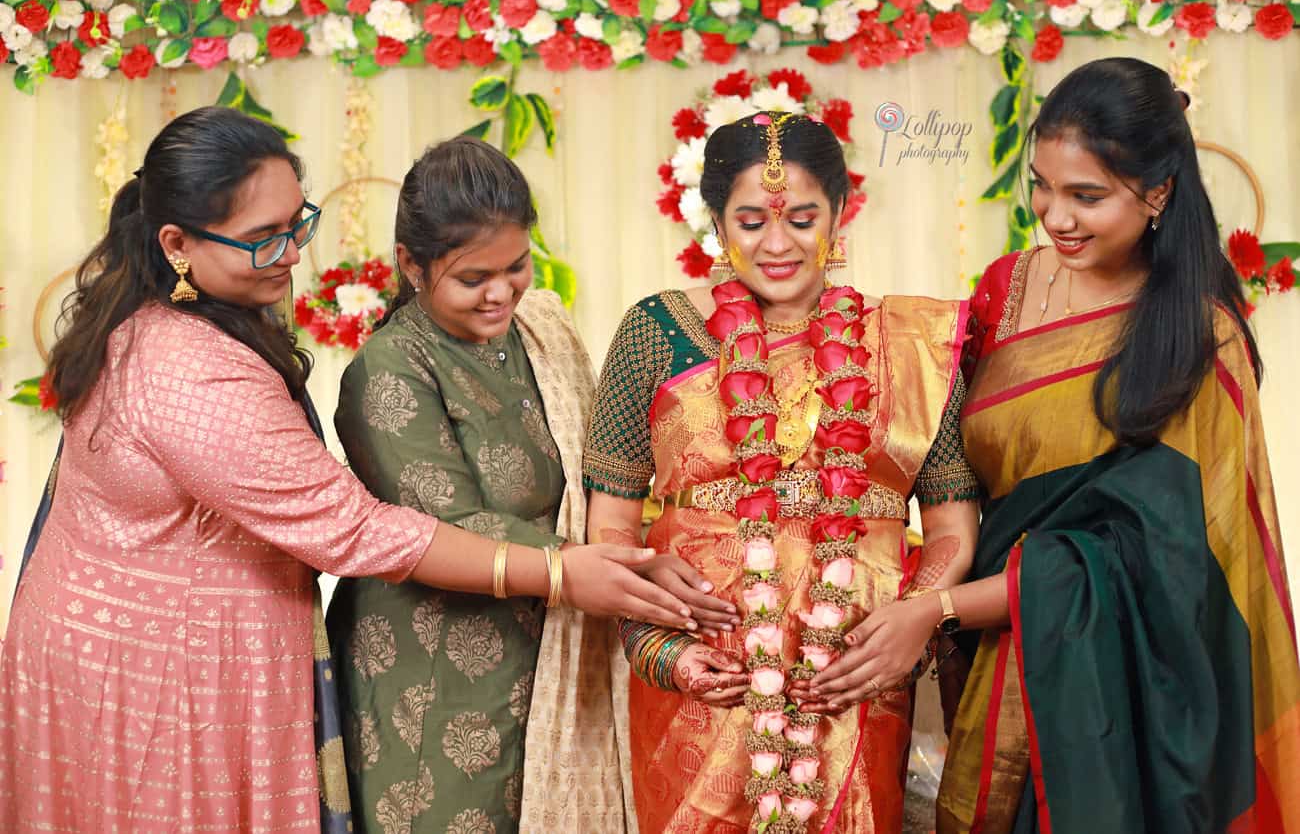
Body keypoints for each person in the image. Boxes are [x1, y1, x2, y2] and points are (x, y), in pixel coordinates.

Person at [0, 107, 701, 833]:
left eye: (295, 222)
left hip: (190, 648)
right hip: (150, 667)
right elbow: (356, 528)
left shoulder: (204, 312)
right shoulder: (190, 367)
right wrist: (567, 572)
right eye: (261, 238)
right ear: (176, 242)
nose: (291, 253)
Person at [811, 58, 1300, 832]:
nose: (1056, 216)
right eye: (1042, 185)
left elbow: (1162, 562)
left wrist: (938, 609)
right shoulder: (1006, 289)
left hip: (1116, 694)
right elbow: (948, 470)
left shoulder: (1197, 338)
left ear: (1159, 192)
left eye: (1087, 196)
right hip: (989, 660)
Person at [582, 111, 982, 833]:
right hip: (700, 678)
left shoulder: (908, 345)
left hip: (853, 672)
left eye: (803, 218)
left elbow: (953, 519)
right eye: (750, 220)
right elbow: (609, 527)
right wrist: (661, 649)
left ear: (840, 211)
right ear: (714, 221)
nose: (777, 243)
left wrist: (910, 623)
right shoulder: (657, 329)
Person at [325, 137, 736, 833]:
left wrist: (637, 557)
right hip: (433, 681)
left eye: (516, 265)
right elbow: (446, 524)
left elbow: (601, 475)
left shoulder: (540, 326)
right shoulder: (388, 372)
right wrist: (598, 569)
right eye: (472, 277)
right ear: (411, 266)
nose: (502, 291)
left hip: (550, 656)